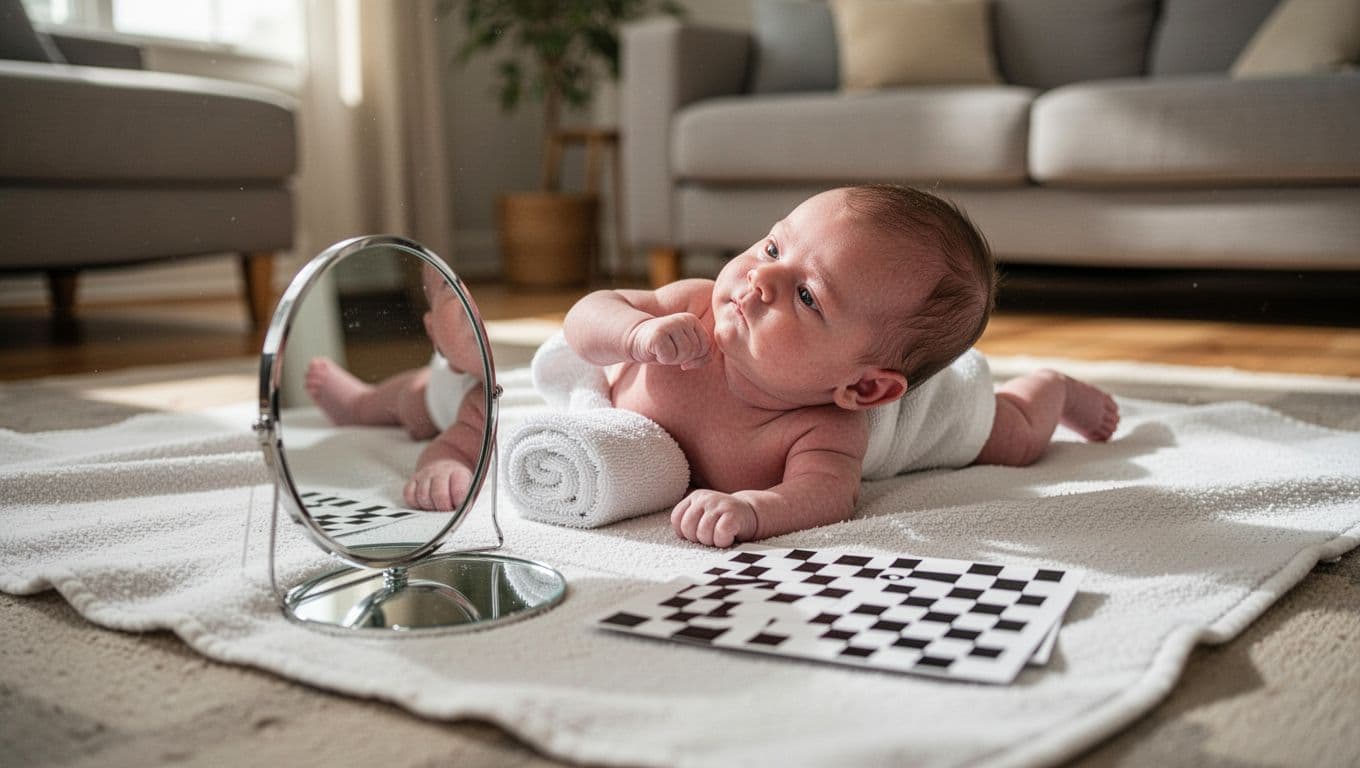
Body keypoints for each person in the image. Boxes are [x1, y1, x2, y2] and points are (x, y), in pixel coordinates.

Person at [563, 184, 1119, 548]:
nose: (761, 278)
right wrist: (633, 333)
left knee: (1015, 437)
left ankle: (1053, 388)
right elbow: (583, 319)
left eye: (806, 296)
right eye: (774, 248)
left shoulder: (825, 426)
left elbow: (826, 496)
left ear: (865, 386)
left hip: (932, 412)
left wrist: (752, 510)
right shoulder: (692, 305)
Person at [305, 265, 488, 512]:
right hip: (435, 390)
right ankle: (358, 404)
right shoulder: (476, 400)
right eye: (450, 286)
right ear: (434, 334)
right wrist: (445, 466)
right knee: (412, 396)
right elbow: (452, 448)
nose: (473, 299)